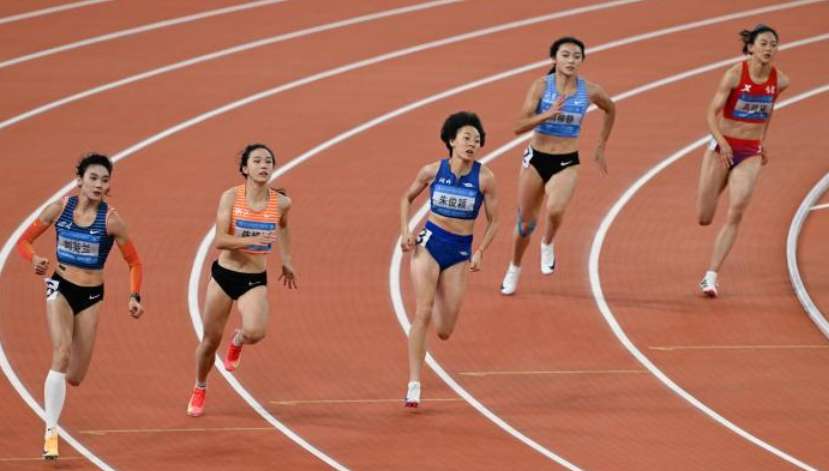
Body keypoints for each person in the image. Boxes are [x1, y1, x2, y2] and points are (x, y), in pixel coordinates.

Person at [16, 154, 144, 460]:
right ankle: (51, 433)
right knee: (61, 353)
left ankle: (56, 403)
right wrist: (34, 259)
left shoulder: (112, 221)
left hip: (91, 296)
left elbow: (134, 262)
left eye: (104, 180)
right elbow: (24, 241)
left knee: (75, 376)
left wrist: (134, 295)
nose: (99, 185)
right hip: (60, 286)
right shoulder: (59, 209)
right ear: (79, 181)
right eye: (93, 178)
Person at [499, 36, 615, 295]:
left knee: (555, 209)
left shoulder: (590, 91)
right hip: (536, 159)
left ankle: (548, 243)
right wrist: (547, 114)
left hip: (566, 161)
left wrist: (600, 145)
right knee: (525, 225)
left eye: (577, 56)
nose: (571, 60)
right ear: (554, 58)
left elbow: (611, 108)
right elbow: (518, 126)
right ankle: (514, 268)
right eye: (565, 55)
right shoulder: (541, 87)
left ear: (582, 60)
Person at [188, 144, 296, 417]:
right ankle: (200, 386)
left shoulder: (281, 203)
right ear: (245, 168)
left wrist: (286, 260)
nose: (263, 165)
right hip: (225, 276)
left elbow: (284, 227)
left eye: (268, 161)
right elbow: (220, 240)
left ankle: (238, 340)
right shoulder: (231, 197)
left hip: (254, 278)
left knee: (256, 332)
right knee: (210, 342)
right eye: (257, 161)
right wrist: (252, 239)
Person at [399, 111, 498, 407]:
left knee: (443, 330)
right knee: (423, 310)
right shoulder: (432, 171)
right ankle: (414, 383)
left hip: (459, 253)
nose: (472, 144)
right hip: (430, 244)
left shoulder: (485, 178)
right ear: (452, 141)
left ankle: (437, 300)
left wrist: (481, 251)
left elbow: (495, 221)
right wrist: (406, 231)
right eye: (466, 138)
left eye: (476, 140)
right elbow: (406, 198)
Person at [696, 24, 788, 297]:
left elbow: (768, 111)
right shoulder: (734, 75)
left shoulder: (781, 81)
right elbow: (710, 114)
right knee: (704, 217)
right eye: (763, 43)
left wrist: (762, 141)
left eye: (773, 44)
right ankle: (718, 183)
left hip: (750, 152)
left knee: (736, 210)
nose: (769, 48)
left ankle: (711, 276)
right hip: (721, 147)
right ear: (750, 47)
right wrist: (723, 143)